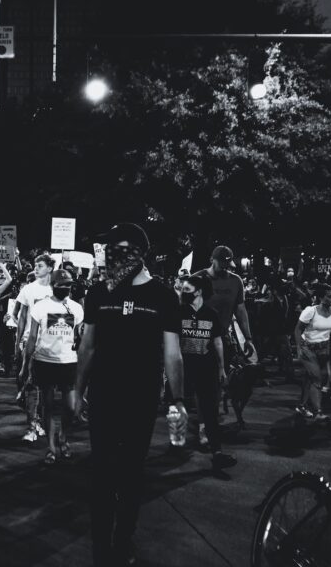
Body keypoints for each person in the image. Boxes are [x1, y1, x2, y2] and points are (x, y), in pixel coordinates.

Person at [68, 223, 184, 566]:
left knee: (132, 472)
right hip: (104, 397)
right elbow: (87, 346)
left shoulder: (163, 296)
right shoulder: (99, 294)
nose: (108, 256)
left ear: (135, 252)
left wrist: (178, 400)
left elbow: (173, 353)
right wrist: (78, 390)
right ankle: (102, 548)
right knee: (102, 473)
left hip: (142, 399)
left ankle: (124, 538)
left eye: (115, 249)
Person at [23, 269, 83, 465]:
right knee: (47, 406)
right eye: (61, 285)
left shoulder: (76, 308)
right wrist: (25, 363)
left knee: (71, 407)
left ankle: (63, 437)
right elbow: (32, 336)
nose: (65, 288)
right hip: (44, 361)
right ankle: (50, 447)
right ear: (53, 285)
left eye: (68, 285)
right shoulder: (40, 307)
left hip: (69, 362)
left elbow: (78, 337)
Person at [177, 273, 236, 468]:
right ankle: (175, 443)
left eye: (187, 290)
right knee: (177, 406)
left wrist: (221, 368)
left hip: (206, 368)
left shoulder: (211, 314)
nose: (183, 293)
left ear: (199, 291)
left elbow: (217, 342)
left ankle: (217, 451)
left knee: (209, 410)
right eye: (182, 290)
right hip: (184, 368)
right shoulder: (179, 312)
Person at [13, 254, 55, 441]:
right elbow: (22, 316)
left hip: (50, 342)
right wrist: (18, 340)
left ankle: (39, 420)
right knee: (27, 382)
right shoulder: (28, 289)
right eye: (35, 265)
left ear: (50, 268)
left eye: (40, 265)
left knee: (45, 385)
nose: (36, 268)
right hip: (29, 340)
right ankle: (31, 425)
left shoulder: (57, 288)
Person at [197, 245, 258, 366]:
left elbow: (240, 312)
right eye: (221, 264)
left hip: (223, 338)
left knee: (223, 379)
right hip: (199, 338)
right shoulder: (197, 279)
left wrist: (248, 339)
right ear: (211, 260)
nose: (225, 267)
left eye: (227, 264)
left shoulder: (236, 281)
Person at [293, 283, 331, 418]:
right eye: (329, 297)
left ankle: (301, 406)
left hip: (324, 348)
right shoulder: (310, 311)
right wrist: (300, 347)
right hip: (308, 347)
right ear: (321, 298)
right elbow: (298, 330)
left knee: (309, 378)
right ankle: (318, 412)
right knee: (317, 379)